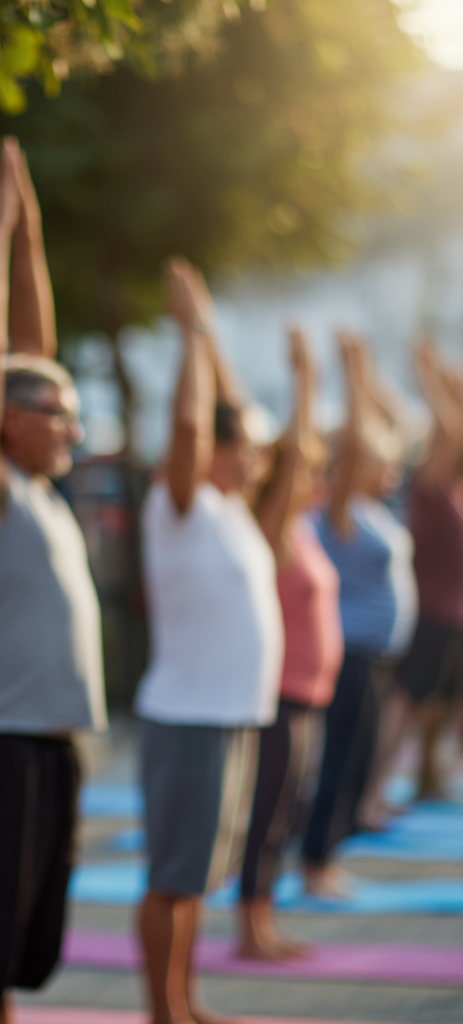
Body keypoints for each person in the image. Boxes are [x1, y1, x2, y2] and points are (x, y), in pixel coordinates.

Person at [0, 138, 107, 1024]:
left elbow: (30, 355)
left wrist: (31, 234)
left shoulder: (38, 487)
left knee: (13, 963)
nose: (75, 423)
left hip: (48, 748)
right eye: (61, 414)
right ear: (10, 421)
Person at [135, 258, 283, 1024]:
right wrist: (191, 334)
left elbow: (229, 410)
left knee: (198, 878)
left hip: (231, 715)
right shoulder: (178, 504)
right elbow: (196, 421)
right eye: (248, 447)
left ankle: (185, 1003)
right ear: (217, 455)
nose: (260, 456)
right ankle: (162, 1011)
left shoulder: (231, 513)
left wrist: (213, 332)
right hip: (188, 714)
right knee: (172, 875)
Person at [237, 330, 343, 960]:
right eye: (307, 468)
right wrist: (307, 382)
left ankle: (262, 920)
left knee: (285, 814)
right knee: (268, 819)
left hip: (306, 696)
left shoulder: (303, 529)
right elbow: (298, 444)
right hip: (278, 696)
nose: (317, 475)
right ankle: (253, 929)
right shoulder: (272, 526)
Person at [302, 333, 417, 896]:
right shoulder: (340, 509)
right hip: (349, 653)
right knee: (341, 762)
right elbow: (352, 445)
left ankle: (327, 855)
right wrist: (353, 376)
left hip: (375, 654)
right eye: (378, 462)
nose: (389, 470)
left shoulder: (375, 510)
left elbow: (386, 431)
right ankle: (314, 860)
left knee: (361, 760)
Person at [359, 341, 463, 824]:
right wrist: (431, 380)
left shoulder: (453, 487)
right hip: (429, 615)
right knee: (401, 708)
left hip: (450, 617)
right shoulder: (431, 483)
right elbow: (449, 426)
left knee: (434, 708)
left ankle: (422, 779)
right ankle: (370, 794)